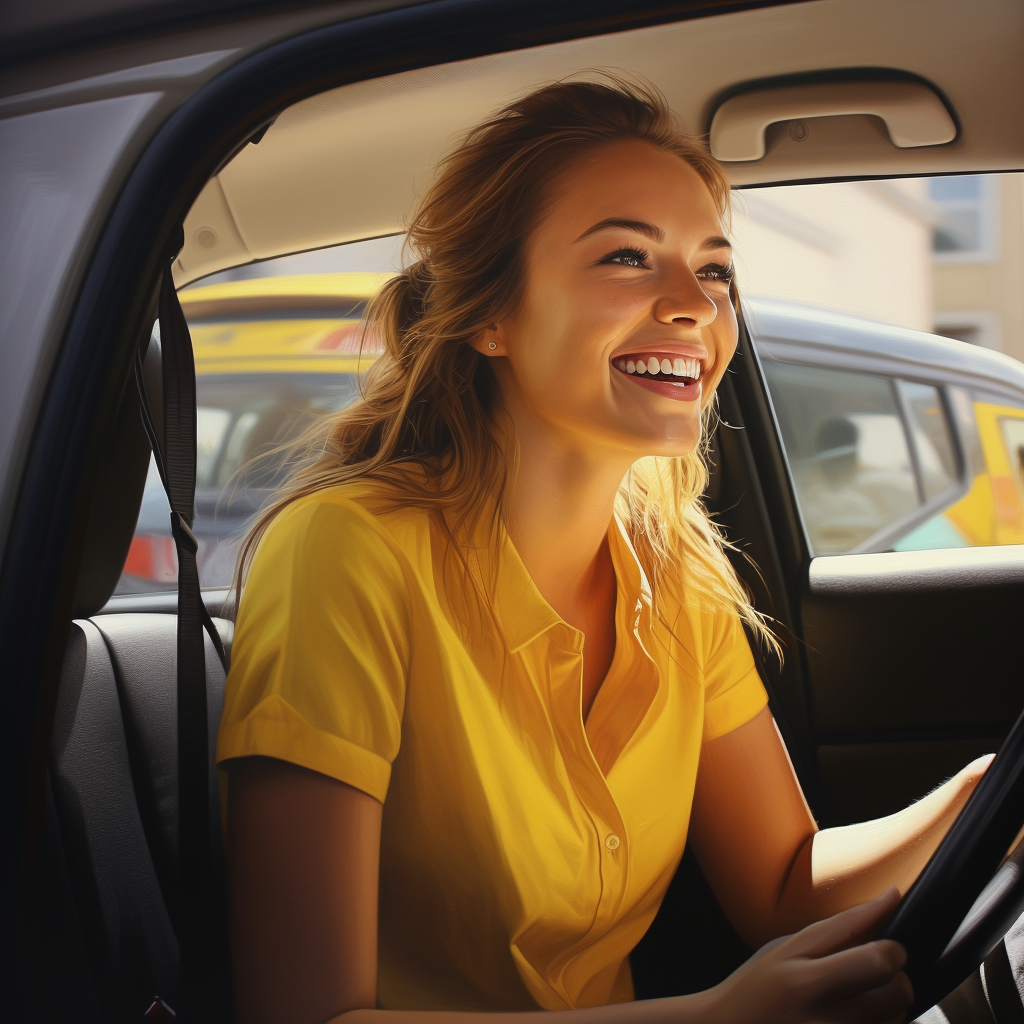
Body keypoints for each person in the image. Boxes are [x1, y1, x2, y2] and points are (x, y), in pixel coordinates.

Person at [217, 79, 992, 1024]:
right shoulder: (346, 552)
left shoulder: (681, 574)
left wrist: (982, 799)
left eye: (714, 271)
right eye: (627, 257)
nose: (693, 307)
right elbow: (300, 1015)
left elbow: (786, 884)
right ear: (489, 316)